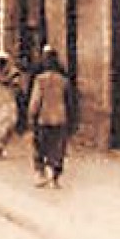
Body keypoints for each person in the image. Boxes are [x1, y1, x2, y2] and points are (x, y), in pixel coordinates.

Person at [28, 48, 72, 188]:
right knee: (57, 149)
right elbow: (69, 101)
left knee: (41, 147)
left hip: (43, 118)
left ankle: (41, 175)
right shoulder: (63, 81)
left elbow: (36, 100)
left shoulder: (40, 80)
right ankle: (54, 177)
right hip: (60, 118)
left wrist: (31, 116)